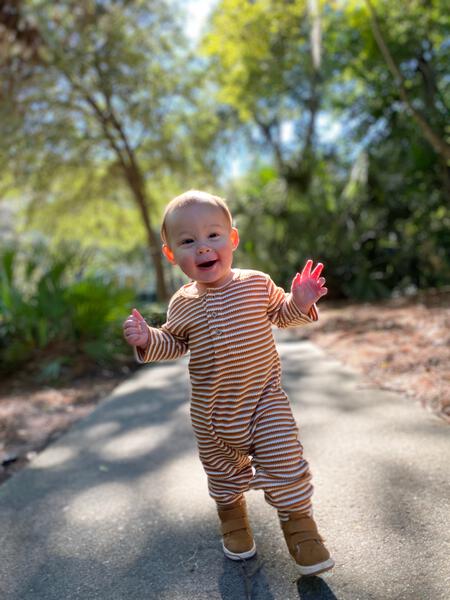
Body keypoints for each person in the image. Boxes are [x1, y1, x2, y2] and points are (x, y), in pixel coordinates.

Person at [123, 190, 334, 576]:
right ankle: (232, 517)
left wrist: (300, 301)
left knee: (285, 460)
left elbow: (282, 314)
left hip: (263, 402)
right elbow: (174, 342)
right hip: (212, 415)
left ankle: (299, 525)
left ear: (232, 239)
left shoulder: (256, 283)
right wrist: (147, 338)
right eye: (188, 241)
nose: (202, 247)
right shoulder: (181, 303)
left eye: (213, 235)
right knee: (222, 473)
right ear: (172, 255)